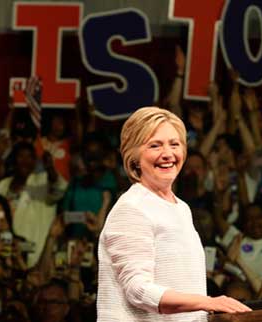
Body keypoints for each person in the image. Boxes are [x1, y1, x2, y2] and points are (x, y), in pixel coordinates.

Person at [97, 107, 251, 321]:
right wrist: (208, 301)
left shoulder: (180, 208)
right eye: (155, 145)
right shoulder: (132, 208)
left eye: (174, 144)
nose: (168, 154)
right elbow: (138, 290)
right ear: (134, 157)